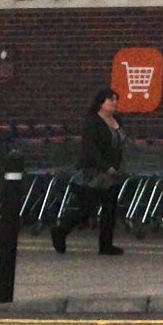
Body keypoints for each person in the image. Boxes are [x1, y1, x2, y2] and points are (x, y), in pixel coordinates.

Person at [53, 87, 126, 254]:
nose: (114, 103)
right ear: (101, 103)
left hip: (113, 171)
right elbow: (90, 148)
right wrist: (104, 166)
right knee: (87, 207)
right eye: (111, 99)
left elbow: (119, 145)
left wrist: (116, 165)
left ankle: (106, 245)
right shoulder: (92, 121)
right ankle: (61, 230)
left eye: (116, 99)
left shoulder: (118, 121)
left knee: (110, 208)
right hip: (94, 170)